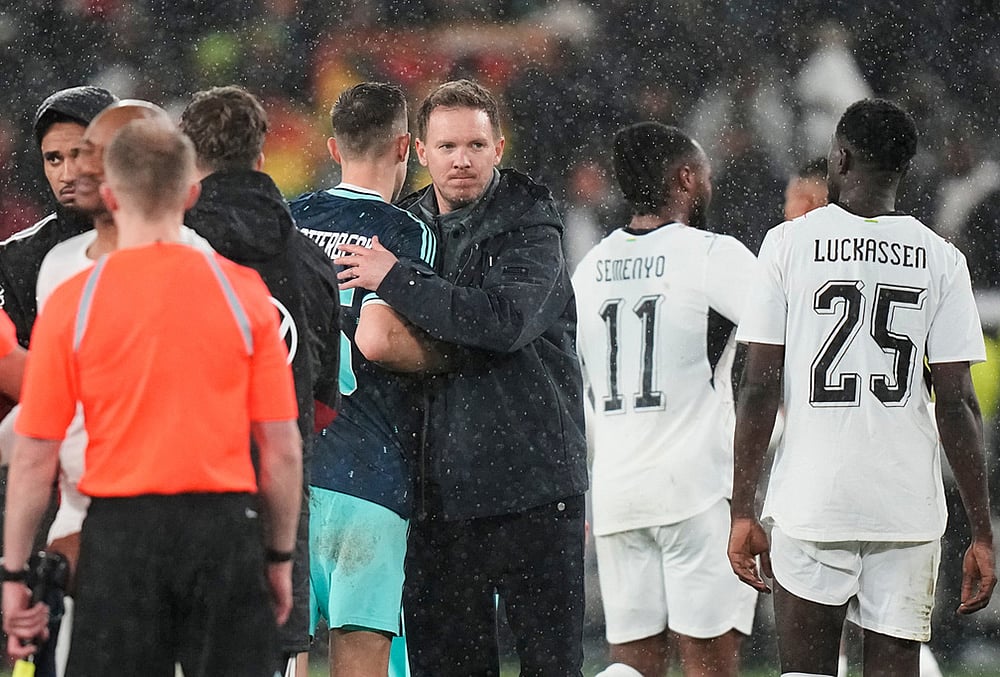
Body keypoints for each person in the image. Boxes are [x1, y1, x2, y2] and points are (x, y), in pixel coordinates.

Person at [1, 119, 303, 676]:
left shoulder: (74, 301)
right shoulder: (242, 293)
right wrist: (279, 558)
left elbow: (35, 454)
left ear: (111, 197)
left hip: (121, 536)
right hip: (222, 531)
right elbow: (281, 448)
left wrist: (14, 574)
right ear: (190, 194)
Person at [728, 98, 996, 676]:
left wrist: (741, 508)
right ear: (904, 168)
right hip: (905, 504)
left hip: (813, 498)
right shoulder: (942, 258)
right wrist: (982, 530)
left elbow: (758, 388)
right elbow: (957, 403)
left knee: (806, 673)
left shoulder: (787, 244)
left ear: (841, 158)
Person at [336, 78, 588, 677]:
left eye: (475, 145)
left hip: (534, 486)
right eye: (447, 147)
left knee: (551, 666)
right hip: (438, 495)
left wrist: (397, 281)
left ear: (499, 148)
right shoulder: (403, 227)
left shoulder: (532, 226)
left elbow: (503, 322)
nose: (462, 160)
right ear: (420, 151)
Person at [4, 99, 214, 677]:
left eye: (88, 153)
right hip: (80, 508)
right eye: (58, 158)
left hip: (164, 512)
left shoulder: (203, 263)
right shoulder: (50, 262)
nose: (76, 170)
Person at [572, 122, 757, 677]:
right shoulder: (711, 255)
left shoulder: (589, 269)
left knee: (632, 668)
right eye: (705, 174)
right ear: (686, 177)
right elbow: (788, 334)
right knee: (710, 667)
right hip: (693, 490)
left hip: (617, 493)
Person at [179, 85, 341, 675]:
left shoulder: (165, 251)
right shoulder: (310, 262)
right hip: (274, 505)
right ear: (261, 156)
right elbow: (321, 407)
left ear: (188, 156)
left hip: (177, 497)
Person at [289, 81, 441, 677]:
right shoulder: (407, 230)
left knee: (281, 655)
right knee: (362, 657)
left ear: (334, 147)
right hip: (369, 469)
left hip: (290, 468)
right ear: (405, 147)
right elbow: (381, 339)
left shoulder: (289, 220)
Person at [0, 86, 117, 348]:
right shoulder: (16, 260)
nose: (67, 175)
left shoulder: (175, 239)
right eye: (54, 159)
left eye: (79, 154)